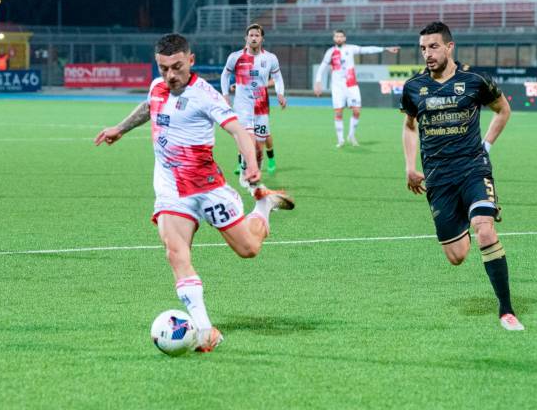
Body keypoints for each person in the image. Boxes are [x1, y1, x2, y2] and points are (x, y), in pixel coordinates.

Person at [94, 33, 295, 352]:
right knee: (175, 253)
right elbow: (150, 106)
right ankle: (204, 330)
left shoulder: (206, 95)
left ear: (191, 60)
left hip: (206, 188)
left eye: (176, 67)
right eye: (163, 68)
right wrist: (120, 128)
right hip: (171, 189)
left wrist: (250, 165)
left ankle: (264, 205)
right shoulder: (158, 86)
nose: (170, 75)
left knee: (248, 249)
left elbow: (238, 130)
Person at [399, 22, 524, 331]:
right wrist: (410, 166)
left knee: (485, 229)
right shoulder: (413, 88)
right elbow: (409, 126)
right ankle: (474, 213)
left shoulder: (475, 80)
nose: (427, 54)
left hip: (473, 168)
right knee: (456, 256)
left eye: (433, 47)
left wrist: (486, 146)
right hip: (438, 178)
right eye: (423, 49)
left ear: (449, 47)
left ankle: (506, 310)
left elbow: (503, 110)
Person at [221, 24, 287, 177]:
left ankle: (261, 164)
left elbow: (277, 77)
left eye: (257, 35)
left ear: (262, 38)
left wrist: (280, 94)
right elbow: (225, 75)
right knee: (246, 138)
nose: (254, 38)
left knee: (259, 145)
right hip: (242, 104)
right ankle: (246, 169)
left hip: (261, 105)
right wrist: (225, 94)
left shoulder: (270, 58)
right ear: (246, 38)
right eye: (251, 35)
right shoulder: (235, 57)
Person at [315, 30, 399, 147]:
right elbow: (322, 67)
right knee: (338, 112)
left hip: (351, 84)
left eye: (341, 36)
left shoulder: (351, 48)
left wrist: (385, 49)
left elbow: (367, 50)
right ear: (334, 39)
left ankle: (351, 135)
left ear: (345, 38)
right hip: (338, 87)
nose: (339, 38)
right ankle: (340, 140)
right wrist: (318, 81)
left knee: (356, 111)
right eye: (336, 36)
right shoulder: (330, 52)